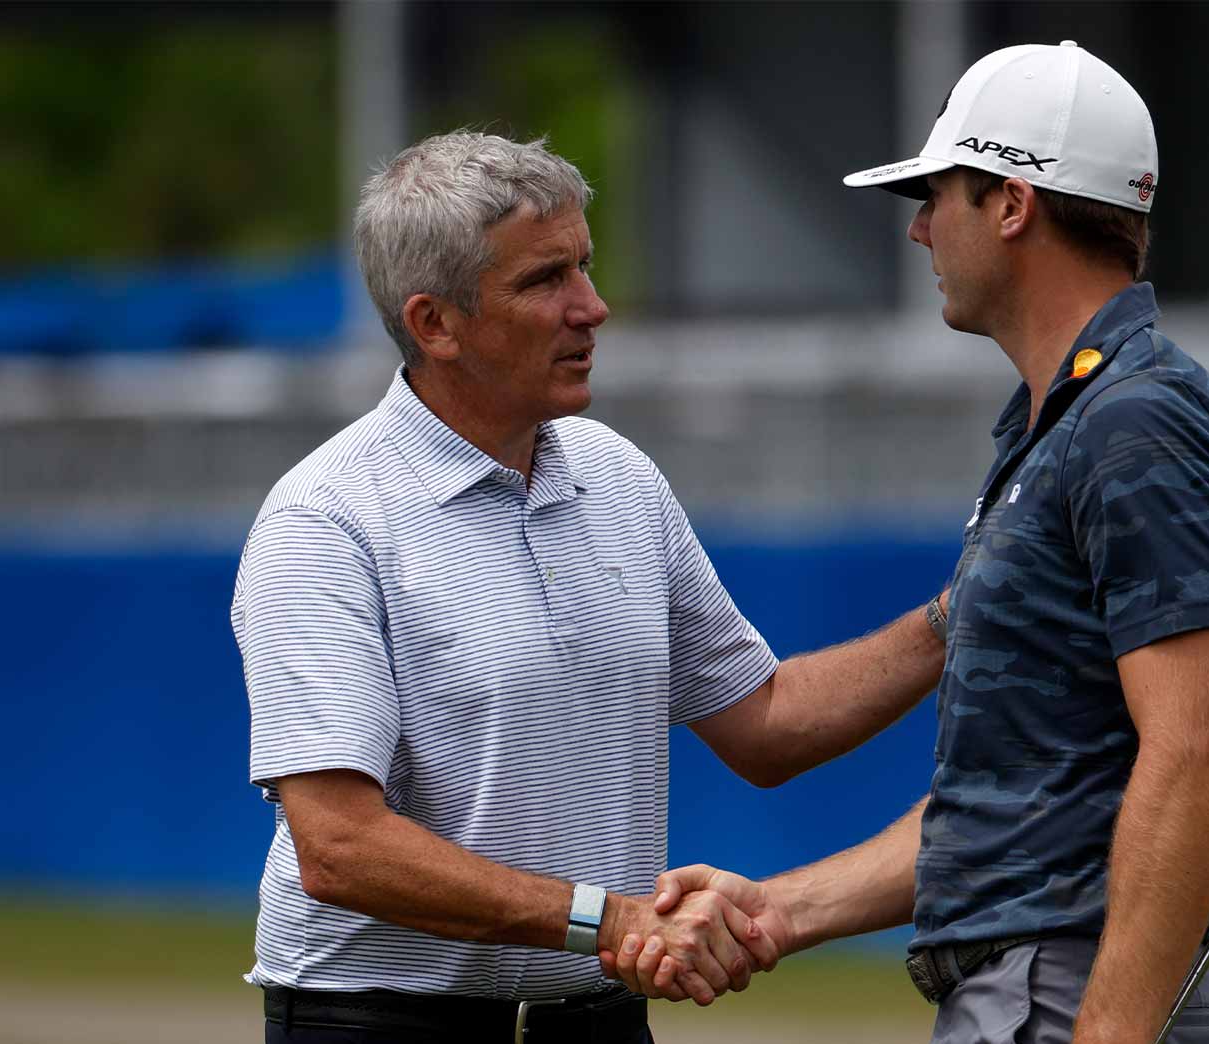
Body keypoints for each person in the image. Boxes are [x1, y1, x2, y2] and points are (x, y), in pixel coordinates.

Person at [606, 40, 1209, 1044]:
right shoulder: (1065, 425)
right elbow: (1010, 812)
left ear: (1010, 204)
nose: (918, 229)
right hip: (1034, 990)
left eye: (938, 195)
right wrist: (774, 912)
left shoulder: (1134, 421)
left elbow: (1194, 750)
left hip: (1064, 996)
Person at [232, 131, 948, 1043]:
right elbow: (340, 849)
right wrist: (609, 922)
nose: (594, 307)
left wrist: (959, 615)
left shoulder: (617, 475)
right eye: (544, 281)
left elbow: (766, 724)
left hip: (596, 1021)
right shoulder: (326, 519)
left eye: (586, 266)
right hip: (378, 1024)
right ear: (434, 324)